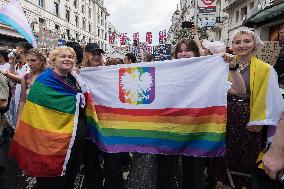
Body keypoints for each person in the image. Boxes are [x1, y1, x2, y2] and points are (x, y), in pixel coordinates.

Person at [156, 39, 246, 189]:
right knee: (165, 176)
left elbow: (240, 91)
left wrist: (232, 68)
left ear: (196, 53)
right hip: (168, 131)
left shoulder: (208, 74)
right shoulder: (167, 72)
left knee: (194, 176)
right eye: (180, 50)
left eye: (187, 50)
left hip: (196, 132)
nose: (183, 54)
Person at [208, 28, 284, 189]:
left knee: (245, 154)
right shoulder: (222, 64)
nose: (242, 45)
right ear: (232, 46)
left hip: (249, 116)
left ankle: (242, 184)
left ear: (254, 44)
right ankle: (221, 182)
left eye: (247, 41)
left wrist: (260, 121)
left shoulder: (266, 69)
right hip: (224, 115)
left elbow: (271, 98)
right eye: (237, 42)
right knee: (223, 150)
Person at [9, 46, 87, 189]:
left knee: (69, 177)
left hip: (74, 142)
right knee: (52, 180)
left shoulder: (73, 79)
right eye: (62, 56)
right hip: (51, 143)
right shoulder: (45, 80)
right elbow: (34, 113)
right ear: (53, 60)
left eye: (70, 57)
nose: (67, 59)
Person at [82, 43, 125, 189]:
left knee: (112, 161)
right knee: (91, 162)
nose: (96, 56)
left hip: (109, 124)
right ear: (86, 54)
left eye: (98, 54)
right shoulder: (78, 73)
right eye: (93, 53)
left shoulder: (108, 72)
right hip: (89, 124)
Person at [17, 49, 47, 123]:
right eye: (28, 61)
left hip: (46, 118)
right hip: (30, 117)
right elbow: (22, 101)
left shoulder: (50, 76)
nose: (30, 63)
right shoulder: (26, 78)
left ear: (42, 61)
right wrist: (18, 121)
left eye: (33, 60)